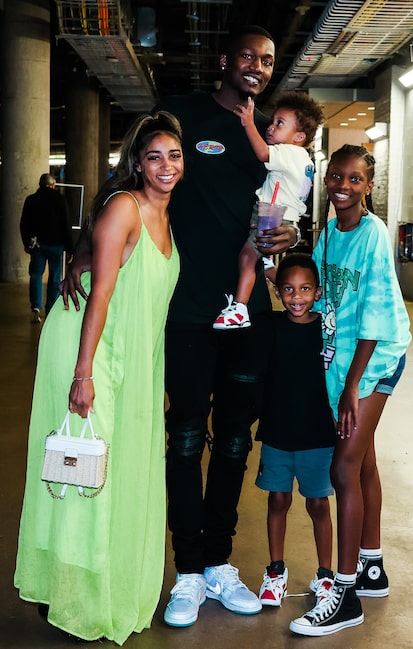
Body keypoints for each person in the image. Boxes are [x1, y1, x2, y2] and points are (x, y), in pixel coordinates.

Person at [61, 25, 298, 629]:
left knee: (237, 440)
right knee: (187, 437)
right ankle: (188, 572)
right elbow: (127, 178)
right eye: (247, 56)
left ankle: (219, 561)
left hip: (248, 315)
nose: (257, 67)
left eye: (267, 61)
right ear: (226, 60)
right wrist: (87, 245)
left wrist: (292, 236)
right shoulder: (182, 117)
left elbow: (284, 206)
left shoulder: (272, 135)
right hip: (187, 312)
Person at [14, 112, 182, 644]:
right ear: (136, 162)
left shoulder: (167, 213)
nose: (166, 166)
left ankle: (101, 584)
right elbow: (103, 294)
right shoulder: (124, 209)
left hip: (133, 357)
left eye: (174, 156)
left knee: (114, 470)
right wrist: (82, 375)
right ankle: (72, 594)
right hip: (91, 351)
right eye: (154, 156)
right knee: (86, 473)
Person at [289, 145, 412, 636]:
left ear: (368, 186)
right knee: (363, 462)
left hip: (375, 359)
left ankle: (346, 594)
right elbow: (326, 299)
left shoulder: (374, 236)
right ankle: (372, 566)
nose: (343, 185)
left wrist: (352, 387)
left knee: (343, 467)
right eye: (336, 176)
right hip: (342, 362)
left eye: (355, 179)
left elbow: (376, 320)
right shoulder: (327, 234)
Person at [256, 253, 336, 607]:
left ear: (318, 292)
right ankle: (276, 571)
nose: (296, 296)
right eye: (288, 289)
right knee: (278, 500)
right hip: (277, 433)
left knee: (318, 504)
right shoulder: (271, 327)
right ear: (278, 292)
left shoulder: (328, 329)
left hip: (318, 435)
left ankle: (326, 575)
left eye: (305, 289)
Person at [213, 91, 324, 330]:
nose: (271, 128)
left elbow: (263, 153)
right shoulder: (304, 159)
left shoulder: (289, 152)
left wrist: (249, 123)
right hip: (284, 215)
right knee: (260, 262)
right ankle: (298, 293)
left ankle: (240, 309)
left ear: (299, 136)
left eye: (280, 123)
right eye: (273, 121)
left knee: (246, 257)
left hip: (272, 214)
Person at [20, 173, 73, 322]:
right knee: (55, 276)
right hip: (56, 245)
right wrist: (70, 248)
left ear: (40, 184)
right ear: (53, 185)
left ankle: (36, 307)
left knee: (36, 274)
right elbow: (66, 225)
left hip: (37, 245)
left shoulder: (31, 200)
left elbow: (24, 224)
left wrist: (26, 243)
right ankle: (50, 309)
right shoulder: (60, 199)